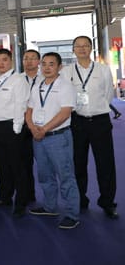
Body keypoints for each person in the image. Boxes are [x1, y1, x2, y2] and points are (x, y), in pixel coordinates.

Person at [61, 35, 118, 219]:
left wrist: (97, 108)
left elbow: (108, 94)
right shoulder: (66, 71)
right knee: (78, 162)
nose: (82, 49)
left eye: (85, 45)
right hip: (77, 122)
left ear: (91, 48)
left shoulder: (103, 69)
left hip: (100, 121)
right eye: (78, 46)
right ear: (73, 50)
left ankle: (107, 202)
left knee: (105, 163)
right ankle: (80, 200)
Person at [25, 52, 80, 229]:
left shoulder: (65, 86)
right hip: (38, 138)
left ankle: (72, 214)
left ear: (59, 67)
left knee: (65, 176)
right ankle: (50, 207)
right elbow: (29, 110)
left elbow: (65, 113)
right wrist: (33, 128)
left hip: (58, 137)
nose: (47, 67)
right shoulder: (38, 85)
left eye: (51, 64)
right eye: (44, 64)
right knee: (45, 175)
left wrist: (44, 129)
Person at [0, 49, 29, 217]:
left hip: (12, 126)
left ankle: (21, 202)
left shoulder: (18, 80)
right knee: (2, 165)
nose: (1, 63)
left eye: (4, 59)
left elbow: (21, 104)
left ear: (11, 61)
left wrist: (17, 127)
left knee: (17, 166)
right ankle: (5, 197)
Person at [21, 49, 41, 203]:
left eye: (33, 58)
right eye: (26, 58)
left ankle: (50, 200)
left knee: (45, 164)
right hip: (22, 126)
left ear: (38, 61)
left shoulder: (46, 78)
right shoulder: (17, 79)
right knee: (24, 163)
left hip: (41, 126)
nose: (29, 61)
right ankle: (28, 195)